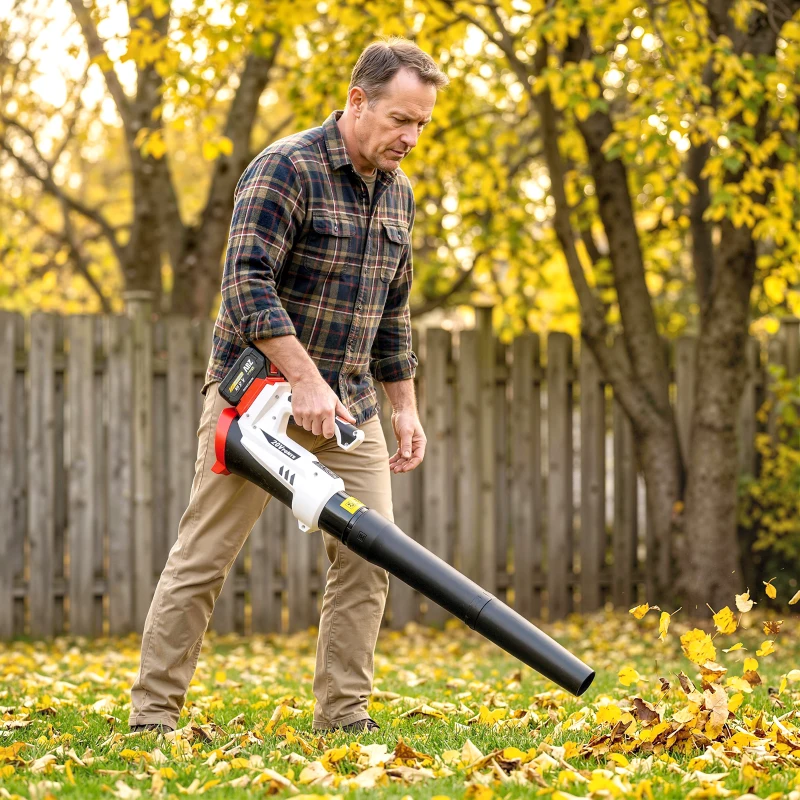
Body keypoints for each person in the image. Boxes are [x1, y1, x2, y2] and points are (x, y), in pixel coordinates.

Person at [128, 38, 449, 734]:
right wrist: (302, 378)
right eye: (400, 118)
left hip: (349, 409)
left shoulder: (399, 196)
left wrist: (405, 408)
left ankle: (345, 716)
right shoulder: (284, 169)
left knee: (371, 556)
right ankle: (153, 716)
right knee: (204, 557)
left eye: (421, 123)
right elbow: (245, 283)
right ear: (358, 102)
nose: (410, 137)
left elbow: (394, 311)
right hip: (256, 403)